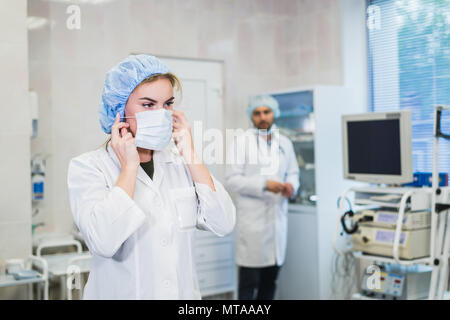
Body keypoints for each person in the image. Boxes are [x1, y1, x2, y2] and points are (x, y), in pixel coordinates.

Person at [67, 54, 236, 299]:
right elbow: (103, 240)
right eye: (148, 105)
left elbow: (223, 223)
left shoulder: (180, 163)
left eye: (167, 104)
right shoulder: (89, 167)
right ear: (119, 109)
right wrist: (129, 169)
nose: (161, 113)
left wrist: (190, 153)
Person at [225, 95, 299, 300]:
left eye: (267, 112)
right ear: (251, 116)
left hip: (277, 221)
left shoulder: (285, 143)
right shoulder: (242, 142)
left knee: (270, 282)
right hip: (252, 224)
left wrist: (292, 186)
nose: (263, 117)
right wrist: (264, 185)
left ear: (274, 114)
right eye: (257, 113)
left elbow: (293, 172)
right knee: (249, 283)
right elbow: (231, 180)